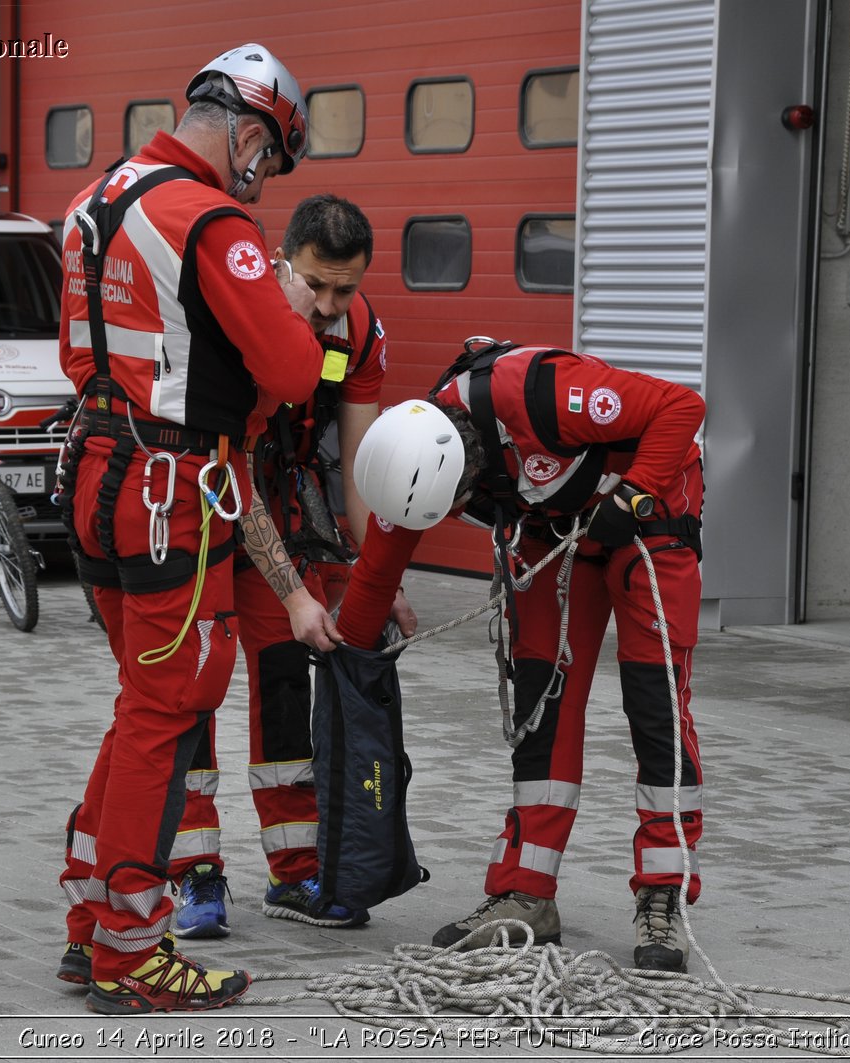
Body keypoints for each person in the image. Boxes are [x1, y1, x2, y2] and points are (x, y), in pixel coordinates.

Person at [53, 43, 343, 1015]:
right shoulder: (212, 219)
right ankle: (132, 951)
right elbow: (300, 374)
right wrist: (290, 321)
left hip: (95, 467)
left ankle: (90, 920)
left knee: (142, 702)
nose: (265, 180)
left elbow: (77, 351)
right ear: (254, 132)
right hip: (169, 489)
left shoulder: (92, 204)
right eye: (272, 158)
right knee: (168, 713)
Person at [336, 339, 707, 973]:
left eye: (456, 507)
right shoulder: (412, 454)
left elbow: (681, 405)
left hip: (647, 516)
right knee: (544, 708)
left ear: (466, 472)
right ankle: (525, 895)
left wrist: (633, 494)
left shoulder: (543, 396)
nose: (455, 518)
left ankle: (662, 897)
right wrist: (345, 664)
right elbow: (375, 576)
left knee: (655, 708)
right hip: (553, 530)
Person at [172, 193, 413, 936]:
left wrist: (379, 575)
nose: (330, 305)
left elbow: (362, 469)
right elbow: (230, 466)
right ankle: (194, 873)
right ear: (281, 263)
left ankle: (297, 871)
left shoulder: (361, 334)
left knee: (283, 679)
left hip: (279, 509)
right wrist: (299, 590)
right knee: (191, 690)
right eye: (317, 285)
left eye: (347, 288)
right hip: (200, 502)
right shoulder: (243, 320)